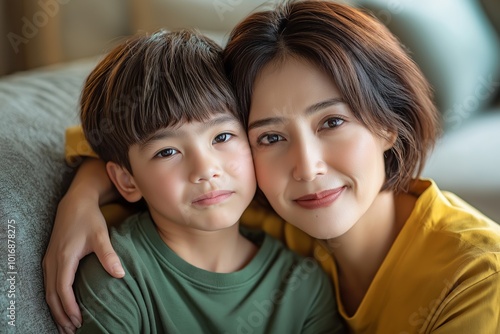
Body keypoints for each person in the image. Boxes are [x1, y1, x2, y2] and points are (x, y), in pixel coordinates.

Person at [44, 1, 500, 333]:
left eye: (333, 121)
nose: (306, 167)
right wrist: (80, 196)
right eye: (270, 137)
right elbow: (137, 133)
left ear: (388, 125)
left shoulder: (479, 279)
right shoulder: (252, 209)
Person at [51, 28, 342, 333]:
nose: (205, 169)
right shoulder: (118, 270)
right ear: (127, 181)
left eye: (223, 136)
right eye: (167, 152)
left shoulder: (303, 287)